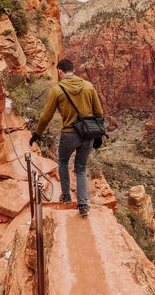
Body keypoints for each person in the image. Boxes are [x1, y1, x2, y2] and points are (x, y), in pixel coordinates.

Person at [29, 58, 104, 217]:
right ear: (73, 70)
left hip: (69, 134)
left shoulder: (57, 90)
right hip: (88, 134)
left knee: (62, 161)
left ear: (60, 72)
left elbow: (45, 117)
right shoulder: (88, 86)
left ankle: (66, 196)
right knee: (81, 168)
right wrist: (98, 135)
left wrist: (37, 133)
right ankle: (83, 205)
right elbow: (99, 112)